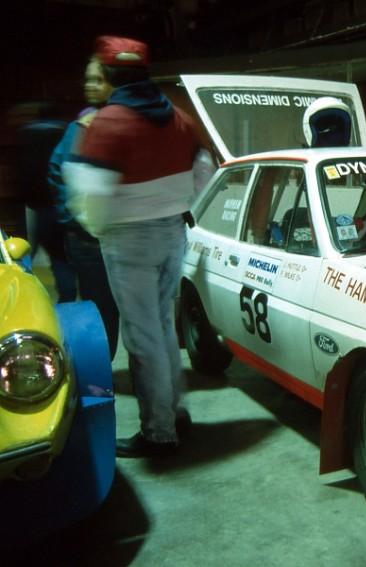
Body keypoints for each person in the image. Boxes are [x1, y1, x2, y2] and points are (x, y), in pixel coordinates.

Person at [63, 35, 213, 458]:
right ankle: (176, 411)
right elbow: (206, 168)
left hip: (129, 241)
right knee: (164, 329)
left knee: (141, 337)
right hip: (172, 233)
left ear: (111, 76)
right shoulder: (178, 118)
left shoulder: (107, 122)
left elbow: (89, 195)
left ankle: (159, 432)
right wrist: (179, 205)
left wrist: (102, 229)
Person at [48, 56, 121, 357]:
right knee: (100, 309)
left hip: (121, 236)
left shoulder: (120, 122)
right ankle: (100, 375)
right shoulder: (81, 126)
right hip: (91, 240)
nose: (90, 85)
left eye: (98, 79)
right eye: (88, 79)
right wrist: (76, 221)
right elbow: (57, 171)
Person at [9, 102, 76, 302]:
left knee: (21, 254)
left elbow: (20, 169)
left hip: (30, 204)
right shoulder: (68, 133)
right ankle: (68, 297)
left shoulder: (25, 134)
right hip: (58, 203)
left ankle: (22, 298)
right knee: (60, 257)